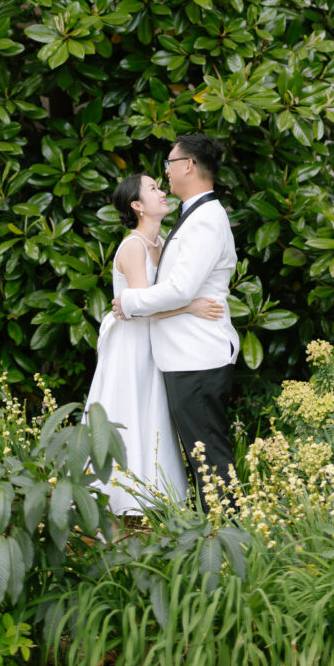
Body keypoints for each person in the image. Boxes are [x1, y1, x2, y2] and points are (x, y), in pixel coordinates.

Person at [85, 172, 224, 515]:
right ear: (137, 206)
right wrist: (192, 305)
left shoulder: (161, 243)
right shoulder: (133, 247)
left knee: (154, 415)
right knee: (132, 414)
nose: (162, 192)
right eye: (153, 189)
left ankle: (153, 494)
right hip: (131, 345)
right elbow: (144, 308)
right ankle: (120, 500)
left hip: (154, 341)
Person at [113, 134, 239, 504]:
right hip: (186, 354)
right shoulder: (196, 215)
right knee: (204, 457)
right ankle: (217, 535)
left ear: (188, 165)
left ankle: (226, 540)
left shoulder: (204, 221)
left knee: (209, 457)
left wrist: (129, 302)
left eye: (169, 163)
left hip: (196, 354)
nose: (165, 172)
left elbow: (181, 289)